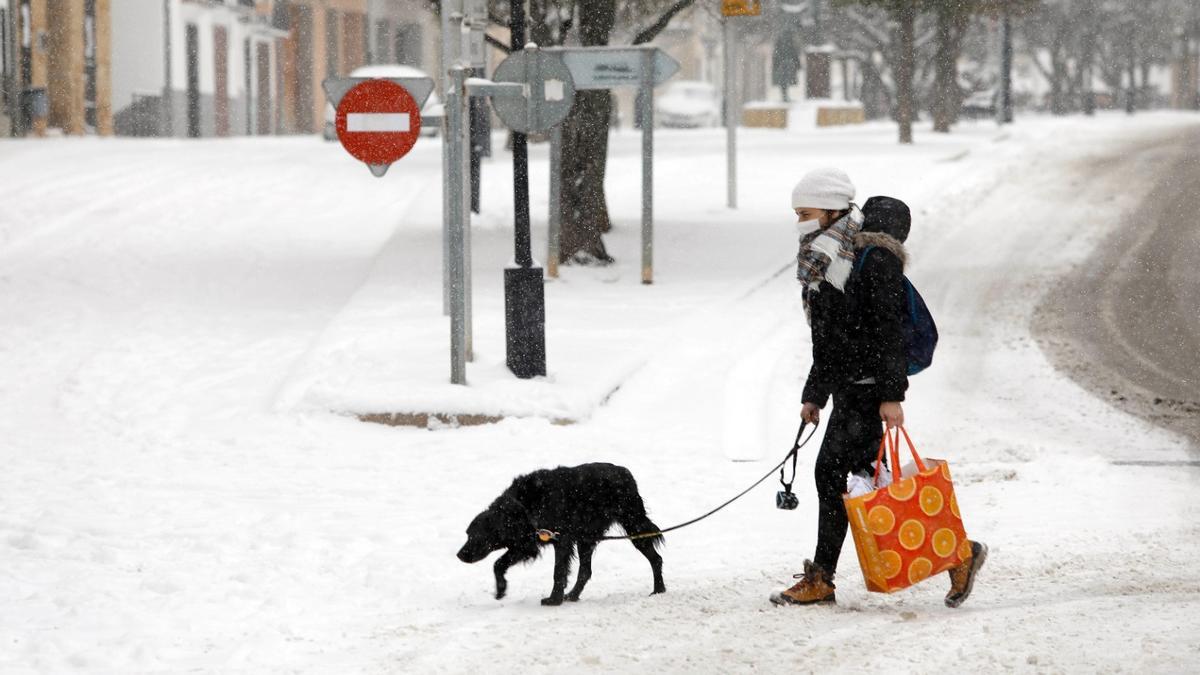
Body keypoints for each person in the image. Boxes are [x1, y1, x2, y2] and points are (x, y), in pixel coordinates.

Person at [769, 168, 987, 608]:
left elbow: (887, 332)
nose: (801, 222)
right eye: (797, 214)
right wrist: (816, 393)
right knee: (859, 482)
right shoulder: (829, 258)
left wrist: (892, 396)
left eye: (806, 213)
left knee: (835, 476)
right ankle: (958, 554)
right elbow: (828, 338)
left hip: (871, 390)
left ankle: (824, 578)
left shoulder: (872, 260)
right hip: (850, 387)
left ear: (833, 210)